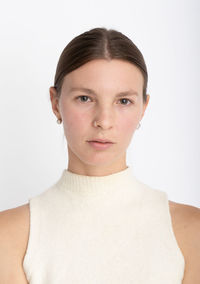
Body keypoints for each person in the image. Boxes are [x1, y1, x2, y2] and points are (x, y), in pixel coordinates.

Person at [0, 27, 199, 283]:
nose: (104, 121)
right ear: (55, 102)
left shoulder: (191, 232)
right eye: (84, 98)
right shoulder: (9, 236)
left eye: (123, 101)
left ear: (143, 108)